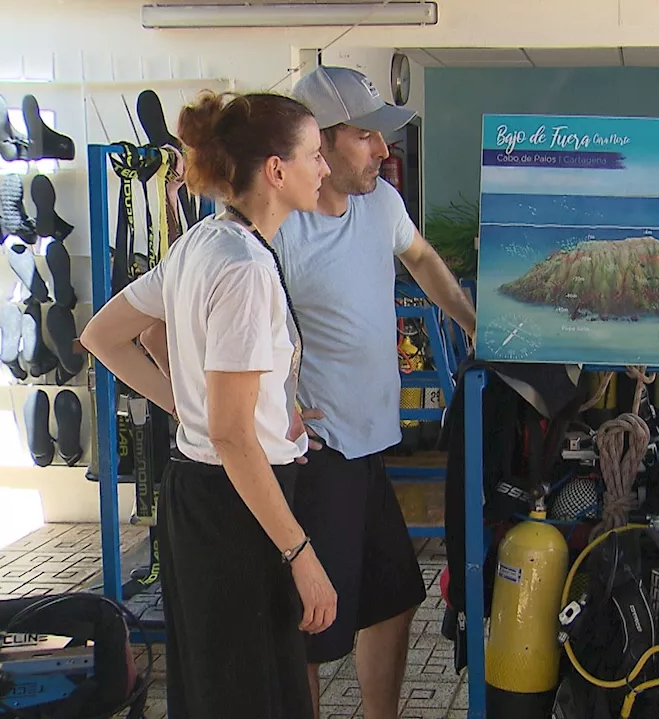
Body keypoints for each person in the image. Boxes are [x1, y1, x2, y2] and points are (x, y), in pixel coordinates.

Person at [79, 90, 338, 719]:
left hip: (199, 497)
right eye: (315, 155)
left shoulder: (204, 241)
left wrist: (211, 409)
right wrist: (302, 556)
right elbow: (228, 432)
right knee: (248, 696)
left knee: (214, 690)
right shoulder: (245, 267)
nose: (324, 168)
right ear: (276, 170)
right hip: (237, 511)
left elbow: (118, 334)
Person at [280, 65, 477, 719]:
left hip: (369, 448)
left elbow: (419, 258)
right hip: (316, 455)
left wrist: (475, 323)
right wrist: (269, 402)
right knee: (309, 625)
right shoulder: (278, 228)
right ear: (325, 142)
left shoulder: (381, 206)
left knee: (395, 596)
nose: (384, 152)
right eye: (369, 137)